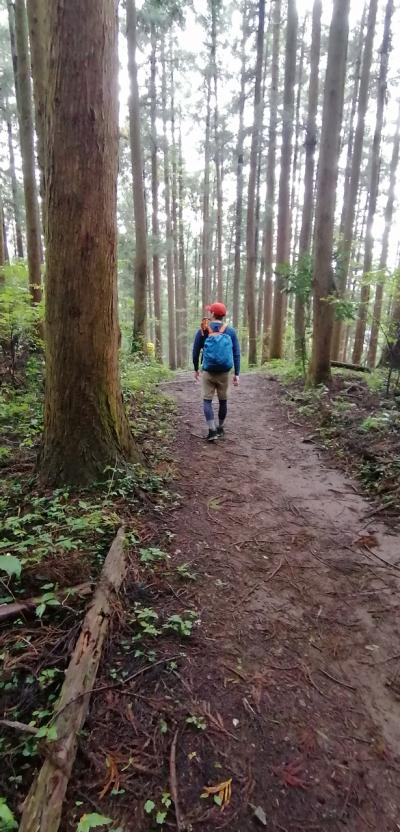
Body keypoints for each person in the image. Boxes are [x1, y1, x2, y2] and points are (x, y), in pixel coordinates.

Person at [192, 302, 240, 441]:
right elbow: (236, 353)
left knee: (207, 401)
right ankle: (220, 428)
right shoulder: (230, 331)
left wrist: (196, 369)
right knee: (223, 401)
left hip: (208, 371)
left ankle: (212, 431)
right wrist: (237, 373)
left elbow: (195, 352)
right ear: (223, 316)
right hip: (225, 372)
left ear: (212, 314)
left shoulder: (203, 329)